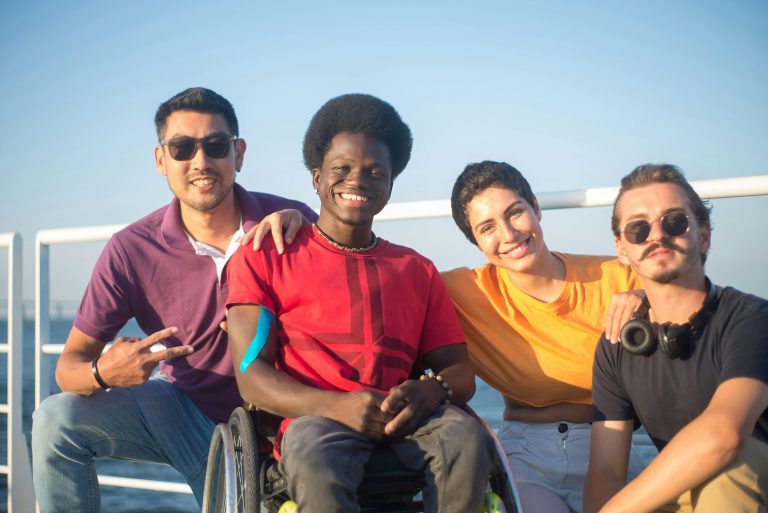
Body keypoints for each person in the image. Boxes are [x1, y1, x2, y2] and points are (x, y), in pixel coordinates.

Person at [30, 87, 317, 512]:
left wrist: (311, 230)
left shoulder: (289, 223)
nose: (201, 161)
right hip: (186, 414)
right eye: (183, 147)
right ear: (161, 160)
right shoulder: (131, 250)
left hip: (282, 420)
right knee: (55, 422)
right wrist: (103, 372)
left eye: (216, 145)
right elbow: (68, 367)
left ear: (238, 153)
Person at [226, 93, 495, 513]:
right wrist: (337, 406)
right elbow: (251, 378)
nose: (358, 181)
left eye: (375, 172)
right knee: (314, 458)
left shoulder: (416, 269)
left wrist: (431, 391)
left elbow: (460, 374)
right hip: (315, 423)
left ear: (389, 185)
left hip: (404, 422)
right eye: (342, 169)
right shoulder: (266, 256)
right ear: (316, 178)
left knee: (466, 437)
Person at [441, 161, 646, 513]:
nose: (508, 234)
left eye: (515, 212)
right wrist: (308, 218)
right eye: (487, 227)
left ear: (535, 208)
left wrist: (648, 297)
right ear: (474, 240)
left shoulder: (619, 278)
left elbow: (692, 303)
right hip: (527, 456)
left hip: (617, 444)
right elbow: (386, 278)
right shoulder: (461, 290)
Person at [584, 163, 768, 513]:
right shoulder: (617, 345)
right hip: (687, 493)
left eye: (674, 222)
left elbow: (724, 433)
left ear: (703, 236)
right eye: (638, 229)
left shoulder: (752, 320)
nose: (656, 236)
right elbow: (606, 470)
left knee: (729, 467)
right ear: (622, 249)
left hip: (748, 482)